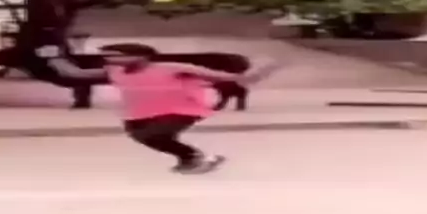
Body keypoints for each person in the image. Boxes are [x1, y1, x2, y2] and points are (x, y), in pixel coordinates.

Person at [37, 42, 278, 174]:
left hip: (181, 109)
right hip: (137, 113)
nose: (110, 60)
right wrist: (53, 58)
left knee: (156, 135)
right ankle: (194, 158)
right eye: (108, 56)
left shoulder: (173, 68)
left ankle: (196, 157)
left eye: (116, 56)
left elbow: (230, 78)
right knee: (142, 136)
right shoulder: (114, 71)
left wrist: (261, 68)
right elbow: (75, 74)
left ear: (140, 56)